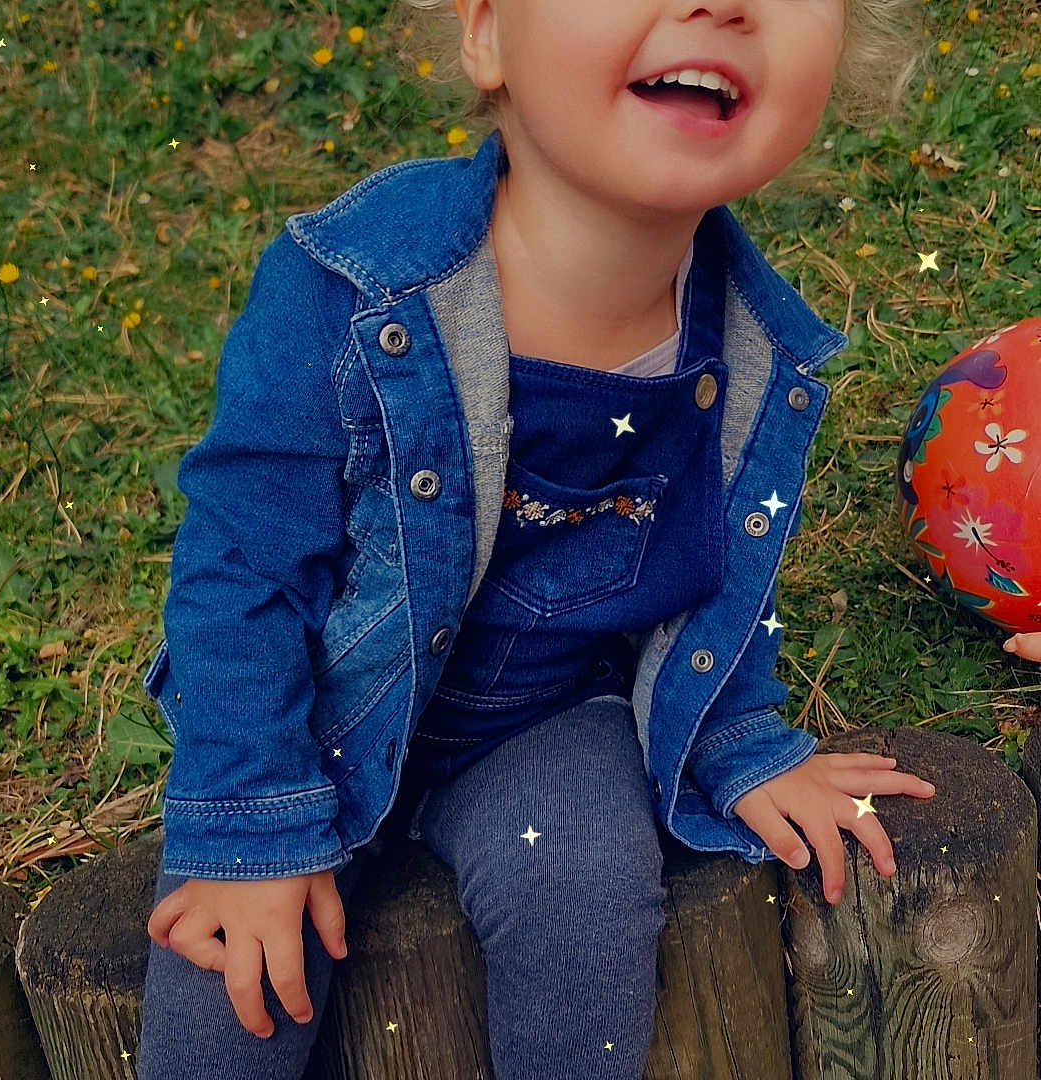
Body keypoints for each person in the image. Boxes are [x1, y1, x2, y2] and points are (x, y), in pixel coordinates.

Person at [136, 1, 932, 1076]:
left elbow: (717, 567)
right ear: (488, 36)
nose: (724, 4)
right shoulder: (355, 289)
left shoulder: (754, 349)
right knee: (232, 974)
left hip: (540, 721)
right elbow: (243, 562)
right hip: (307, 718)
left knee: (587, 877)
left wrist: (737, 739)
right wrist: (249, 822)